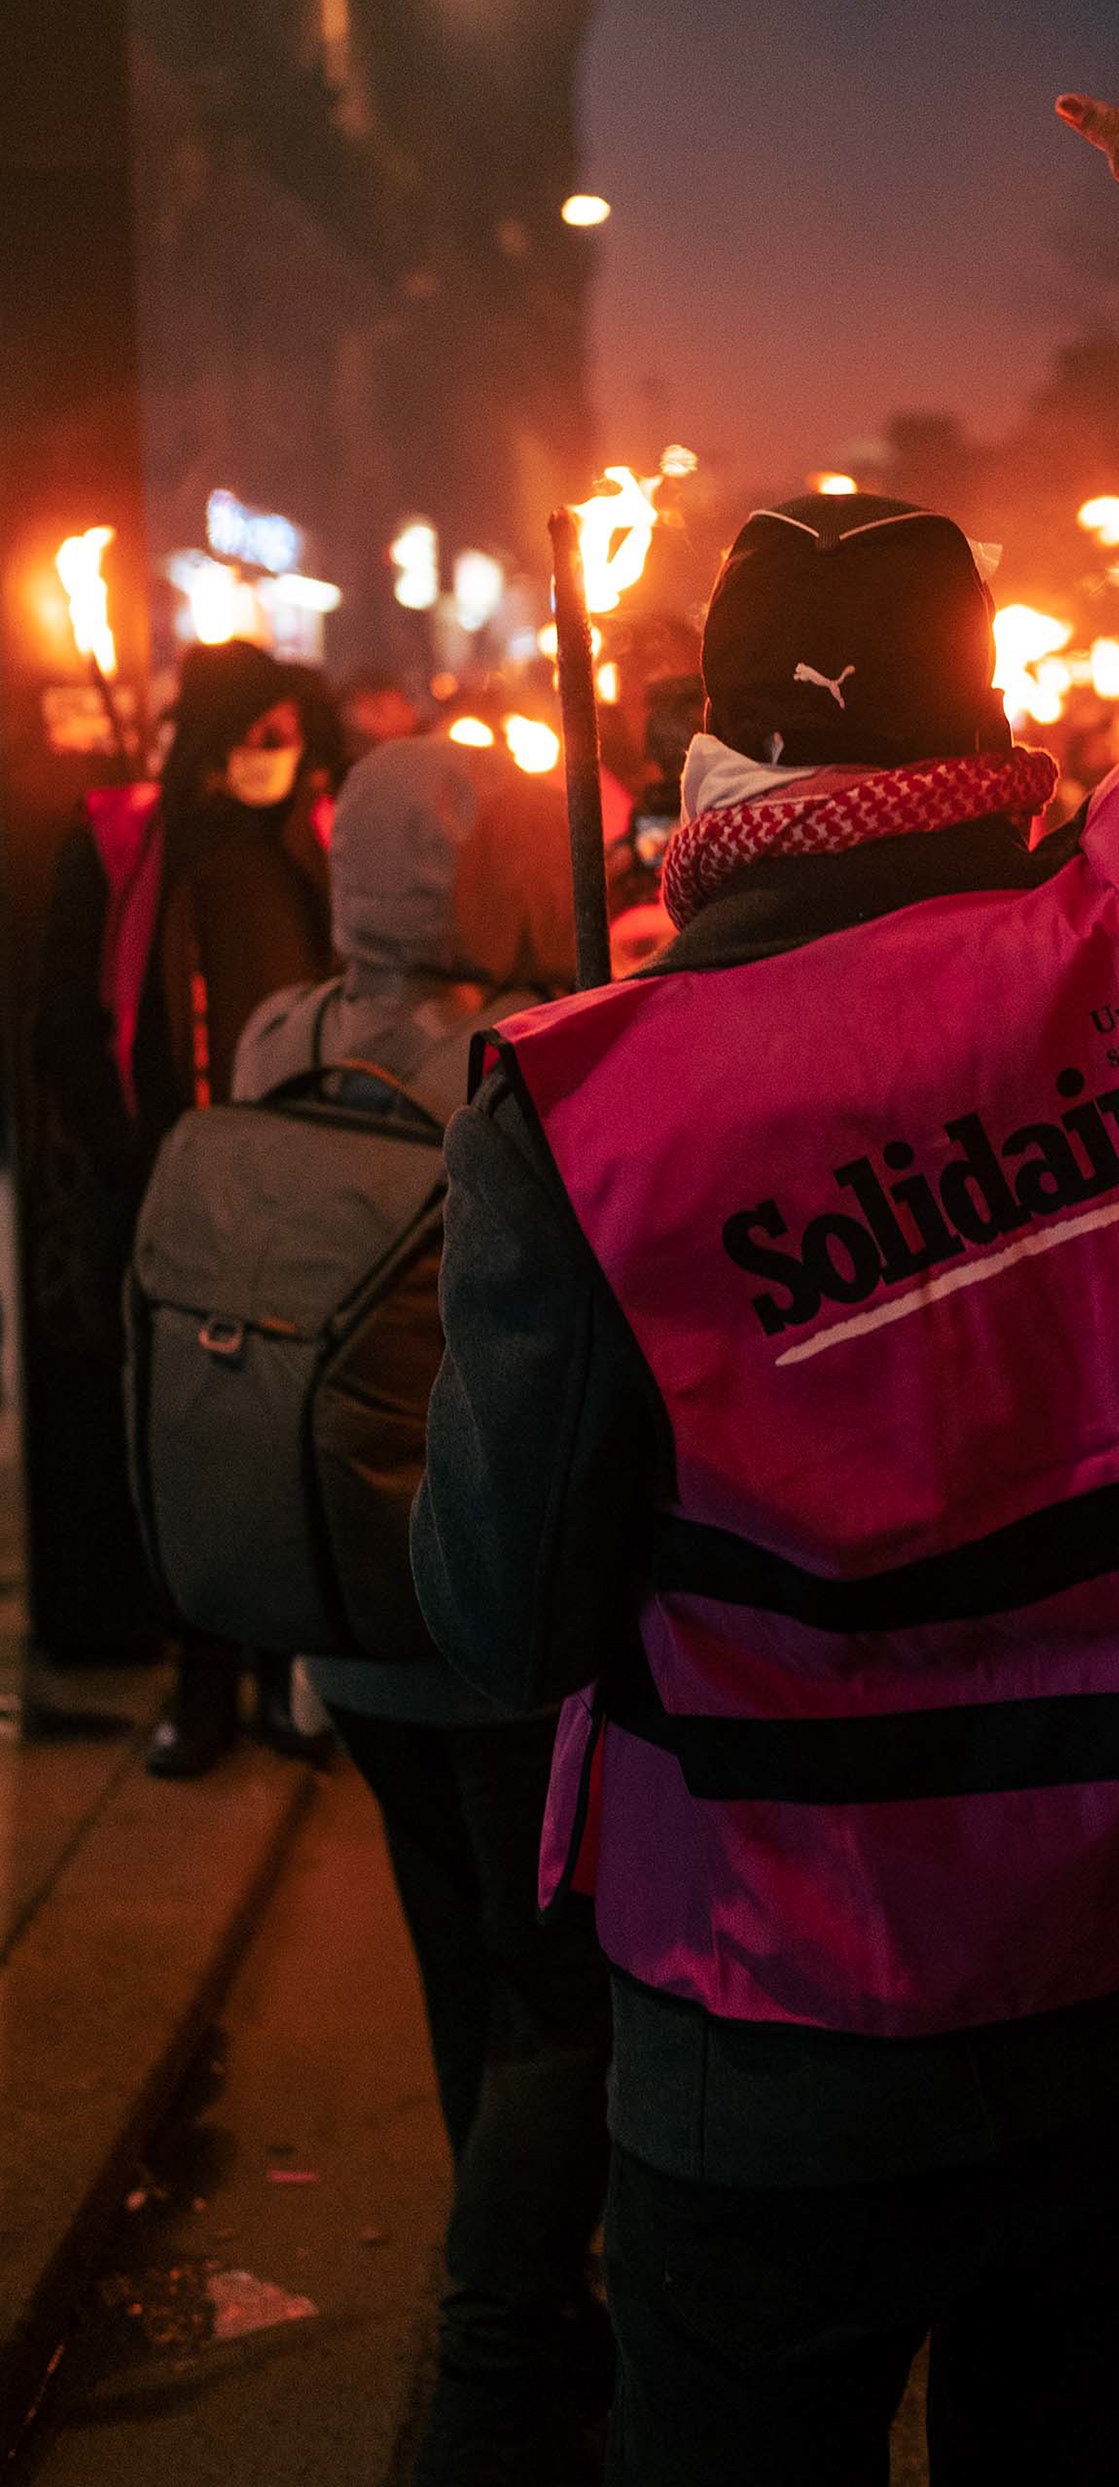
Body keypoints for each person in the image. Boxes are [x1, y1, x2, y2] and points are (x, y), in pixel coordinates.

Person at [412, 74, 1119, 2487]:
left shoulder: (591, 1105)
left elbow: (499, 1614)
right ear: (990, 721)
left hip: (766, 2037)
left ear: (707, 762)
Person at [232, 730, 612, 2487]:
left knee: (457, 1959)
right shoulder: (531, 1050)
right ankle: (510, 2332)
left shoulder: (278, 1033)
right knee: (557, 1991)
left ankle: (513, 2277)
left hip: (335, 1610)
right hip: (486, 1598)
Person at [30, 640, 337, 1717]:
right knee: (189, 1432)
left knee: (290, 1418)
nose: (277, 754)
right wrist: (130, 1150)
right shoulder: (124, 841)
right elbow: (67, 1012)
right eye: (258, 733)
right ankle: (203, 1672)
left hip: (296, 1186)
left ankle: (283, 1671)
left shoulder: (318, 840)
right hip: (165, 1179)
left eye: (290, 734)